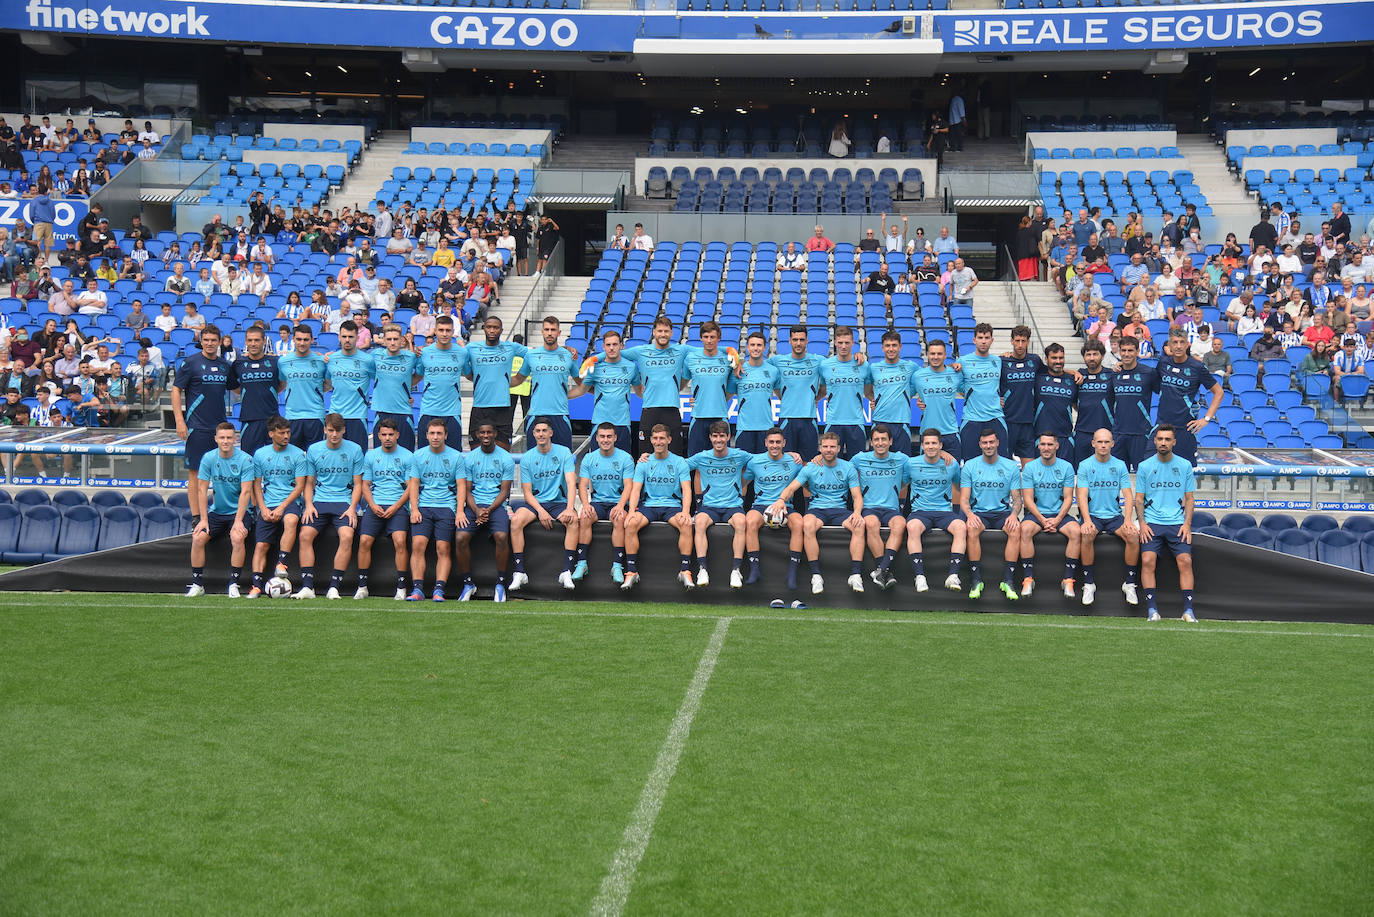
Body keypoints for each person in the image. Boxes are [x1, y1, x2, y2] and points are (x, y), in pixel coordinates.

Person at [772, 431, 862, 596]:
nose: (829, 450)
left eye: (832, 447)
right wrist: (780, 500)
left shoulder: (848, 467)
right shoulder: (811, 467)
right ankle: (816, 575)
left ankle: (855, 574)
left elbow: (857, 496)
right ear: (820, 448)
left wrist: (857, 513)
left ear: (839, 448)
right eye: (825, 446)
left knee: (859, 525)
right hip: (817, 510)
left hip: (839, 511)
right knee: (807, 524)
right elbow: (792, 487)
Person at [293, 414, 364, 600]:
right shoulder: (314, 449)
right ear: (325, 429)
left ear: (344, 430)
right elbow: (309, 482)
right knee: (305, 535)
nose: (334, 434)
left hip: (344, 502)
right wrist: (308, 505)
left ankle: (334, 586)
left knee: (347, 536)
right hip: (320, 502)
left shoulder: (355, 450)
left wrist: (352, 508)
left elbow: (358, 484)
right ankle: (308, 587)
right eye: (331, 430)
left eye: (338, 431)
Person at [620, 424, 693, 591]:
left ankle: (685, 570)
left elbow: (687, 490)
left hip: (672, 507)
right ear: (651, 440)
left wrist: (686, 512)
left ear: (669, 439)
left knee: (687, 524)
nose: (658, 441)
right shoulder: (644, 462)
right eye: (655, 438)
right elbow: (636, 490)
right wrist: (631, 511)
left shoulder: (679, 462)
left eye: (662, 438)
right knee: (630, 523)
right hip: (649, 507)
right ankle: (631, 572)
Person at [509, 418, 580, 591]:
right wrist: (540, 511)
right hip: (536, 503)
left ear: (551, 433)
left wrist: (570, 508)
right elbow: (527, 492)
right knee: (516, 521)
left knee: (573, 520)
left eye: (544, 431)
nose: (541, 434)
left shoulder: (563, 453)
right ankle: (519, 572)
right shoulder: (527, 458)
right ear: (533, 434)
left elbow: (571, 483)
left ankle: (566, 571)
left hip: (558, 502)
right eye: (537, 431)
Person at [1135, 424, 1197, 622]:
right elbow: (1139, 499)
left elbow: (1189, 499)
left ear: (1174, 442)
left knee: (1185, 562)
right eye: (1160, 439)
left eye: (1167, 439)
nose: (1163, 443)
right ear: (1155, 441)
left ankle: (1188, 611)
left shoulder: (1185, 465)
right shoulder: (1145, 466)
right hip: (1152, 522)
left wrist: (1187, 525)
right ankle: (1152, 610)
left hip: (1177, 523)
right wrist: (1143, 524)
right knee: (1147, 561)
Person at [185, 423, 254, 598]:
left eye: (229, 438)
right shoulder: (208, 458)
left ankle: (234, 584)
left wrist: (238, 521)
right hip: (217, 511)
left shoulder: (245, 460)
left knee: (237, 537)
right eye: (222, 437)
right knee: (198, 538)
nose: (225, 441)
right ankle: (197, 584)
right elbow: (201, 489)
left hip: (240, 512)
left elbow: (246, 492)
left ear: (235, 439)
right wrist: (203, 519)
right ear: (216, 439)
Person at [171, 324, 231, 524]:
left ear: (219, 342)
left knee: (221, 473)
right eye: (206, 340)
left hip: (220, 429)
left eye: (214, 340)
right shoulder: (191, 363)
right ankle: (197, 516)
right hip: (197, 427)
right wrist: (180, 420)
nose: (210, 343)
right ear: (201, 342)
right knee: (195, 473)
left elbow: (239, 388)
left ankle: (220, 513)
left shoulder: (224, 366)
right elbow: (176, 390)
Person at [1076, 428, 1139, 607]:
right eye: (1100, 442)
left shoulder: (1119, 465)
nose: (1103, 445)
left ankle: (1129, 583)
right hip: (1093, 516)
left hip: (1114, 517)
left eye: (1106, 442)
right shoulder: (1085, 465)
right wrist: (1086, 520)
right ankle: (1089, 584)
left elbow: (1127, 495)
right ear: (1093, 443)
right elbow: (1081, 495)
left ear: (1112, 444)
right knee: (1086, 535)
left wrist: (1128, 519)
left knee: (1133, 536)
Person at [352, 417, 414, 601]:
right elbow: (365, 484)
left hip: (398, 506)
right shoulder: (370, 456)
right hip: (376, 505)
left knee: (400, 541)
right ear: (378, 436)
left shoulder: (408, 456)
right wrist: (372, 505)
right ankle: (362, 586)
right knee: (364, 541)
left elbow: (411, 487)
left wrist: (396, 506)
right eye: (384, 434)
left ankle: (401, 587)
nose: (387, 438)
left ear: (397, 435)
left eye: (391, 434)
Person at [958, 428, 1023, 601]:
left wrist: (1014, 515)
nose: (988, 445)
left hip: (1002, 513)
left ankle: (1008, 581)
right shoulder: (970, 466)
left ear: (998, 443)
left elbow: (1017, 499)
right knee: (971, 529)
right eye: (985, 442)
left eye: (991, 442)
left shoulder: (1010, 466)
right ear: (980, 444)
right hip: (979, 514)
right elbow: (964, 500)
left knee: (1016, 529)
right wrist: (970, 515)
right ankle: (976, 579)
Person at [246, 416, 308, 598]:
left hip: (289, 503)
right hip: (268, 503)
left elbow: (300, 486)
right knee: (261, 545)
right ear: (271, 434)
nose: (286, 436)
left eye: (288, 432)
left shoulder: (298, 454)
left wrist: (282, 507)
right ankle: (256, 586)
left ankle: (281, 564)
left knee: (291, 520)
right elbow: (256, 484)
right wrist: (262, 508)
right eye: (282, 433)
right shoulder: (260, 454)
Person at [454, 422, 516, 602]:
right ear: (477, 435)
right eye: (482, 432)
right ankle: (468, 583)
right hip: (474, 506)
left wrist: (487, 510)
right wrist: (476, 510)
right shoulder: (470, 458)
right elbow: (467, 490)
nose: (486, 435)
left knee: (502, 537)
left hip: (496, 506)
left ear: (495, 434)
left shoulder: (506, 458)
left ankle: (500, 584)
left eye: (489, 432)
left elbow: (504, 491)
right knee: (460, 538)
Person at [404, 418, 463, 602]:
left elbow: (461, 486)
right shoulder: (418, 456)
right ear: (426, 435)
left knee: (442, 547)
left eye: (439, 433)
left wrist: (460, 511)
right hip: (424, 507)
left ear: (445, 435)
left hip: (446, 507)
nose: (435, 437)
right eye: (432, 433)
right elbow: (413, 484)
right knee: (418, 545)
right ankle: (418, 589)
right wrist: (414, 509)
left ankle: (439, 590)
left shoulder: (456, 457)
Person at [1017, 432, 1081, 599]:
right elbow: (1028, 500)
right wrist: (1043, 520)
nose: (1046, 448)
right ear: (1038, 446)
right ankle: (1028, 578)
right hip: (1038, 515)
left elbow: (1068, 498)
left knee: (1076, 532)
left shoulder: (1066, 466)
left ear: (1057, 446)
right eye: (1043, 444)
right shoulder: (1030, 467)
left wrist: (1058, 519)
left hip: (1059, 514)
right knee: (1024, 530)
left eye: (1050, 444)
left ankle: (1068, 579)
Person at [905, 428, 968, 593]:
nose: (931, 446)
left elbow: (959, 486)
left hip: (944, 512)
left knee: (961, 527)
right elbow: (902, 485)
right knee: (912, 527)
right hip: (920, 511)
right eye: (927, 443)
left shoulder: (951, 464)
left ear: (941, 445)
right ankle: (919, 577)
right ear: (922, 445)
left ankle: (953, 576)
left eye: (934, 443)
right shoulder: (911, 463)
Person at [849, 423, 909, 591]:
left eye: (884, 439)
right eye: (876, 440)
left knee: (900, 525)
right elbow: (841, 467)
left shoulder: (901, 459)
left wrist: (943, 452)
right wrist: (818, 458)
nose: (880, 443)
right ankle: (884, 570)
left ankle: (881, 570)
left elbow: (909, 477)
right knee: (871, 524)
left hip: (891, 509)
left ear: (890, 441)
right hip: (869, 507)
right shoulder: (859, 458)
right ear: (871, 442)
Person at [742, 427, 803, 587]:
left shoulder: (794, 462)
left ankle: (792, 573)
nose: (774, 445)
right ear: (765, 443)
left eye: (778, 442)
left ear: (784, 443)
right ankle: (754, 570)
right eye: (771, 442)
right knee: (749, 522)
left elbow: (806, 482)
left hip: (786, 506)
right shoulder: (755, 462)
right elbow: (743, 483)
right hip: (761, 505)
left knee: (799, 523)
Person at [577, 422, 637, 584]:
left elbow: (629, 486)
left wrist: (620, 505)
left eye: (609, 436)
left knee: (619, 518)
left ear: (615, 438)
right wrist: (586, 504)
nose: (605, 440)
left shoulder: (625, 458)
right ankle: (582, 563)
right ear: (596, 438)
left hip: (617, 503)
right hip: (597, 502)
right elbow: (582, 485)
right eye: (602, 436)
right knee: (584, 517)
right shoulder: (589, 458)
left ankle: (617, 566)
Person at [1154, 328, 1223, 467]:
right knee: (1158, 472)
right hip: (1162, 428)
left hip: (1185, 429)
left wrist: (1206, 419)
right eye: (1175, 342)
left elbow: (1219, 392)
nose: (1178, 346)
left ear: (1187, 344)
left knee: (1184, 473)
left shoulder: (1197, 367)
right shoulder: (1163, 363)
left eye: (1182, 342)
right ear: (1169, 345)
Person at [624, 316, 688, 457]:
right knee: (645, 454)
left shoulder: (680, 350)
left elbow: (708, 350)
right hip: (649, 409)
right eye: (660, 331)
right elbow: (614, 354)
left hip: (672, 409)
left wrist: (730, 352)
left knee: (676, 454)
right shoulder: (641, 351)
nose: (663, 334)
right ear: (654, 332)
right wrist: (593, 359)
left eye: (666, 331)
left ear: (671, 333)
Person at [464, 315, 527, 450]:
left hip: (503, 407)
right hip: (480, 407)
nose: (492, 330)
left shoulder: (511, 347)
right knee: (476, 454)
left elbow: (535, 355)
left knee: (503, 453)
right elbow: (464, 368)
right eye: (489, 327)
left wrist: (520, 377)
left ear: (501, 330)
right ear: (484, 329)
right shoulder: (471, 348)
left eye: (496, 327)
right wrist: (475, 377)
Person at [681, 321, 737, 457]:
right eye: (706, 337)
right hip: (698, 417)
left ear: (718, 338)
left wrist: (718, 399)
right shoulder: (691, 358)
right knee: (696, 462)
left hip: (720, 417)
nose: (709, 340)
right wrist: (698, 398)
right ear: (701, 338)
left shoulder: (729, 359)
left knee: (721, 461)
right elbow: (682, 383)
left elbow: (731, 388)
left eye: (712, 337)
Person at [580, 329, 640, 455]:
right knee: (597, 465)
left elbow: (640, 391)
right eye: (608, 345)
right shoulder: (595, 367)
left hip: (622, 423)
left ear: (621, 346)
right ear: (603, 347)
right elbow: (582, 389)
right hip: (599, 422)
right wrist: (563, 396)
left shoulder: (631, 367)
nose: (612, 348)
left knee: (623, 465)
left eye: (615, 344)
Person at [769, 324, 825, 460]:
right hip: (787, 419)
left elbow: (825, 385)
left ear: (807, 341)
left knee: (810, 462)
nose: (798, 343)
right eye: (795, 339)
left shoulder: (818, 361)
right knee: (787, 462)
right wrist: (784, 395)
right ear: (789, 340)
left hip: (809, 419)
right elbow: (756, 364)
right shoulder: (777, 361)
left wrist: (815, 398)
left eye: (801, 340)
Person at [416, 314, 469, 450]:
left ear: (453, 331)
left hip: (452, 412)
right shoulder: (425, 353)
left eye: (448, 330)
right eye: (441, 330)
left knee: (454, 457)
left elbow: (470, 375)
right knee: (425, 456)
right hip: (428, 411)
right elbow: (417, 376)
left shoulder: (462, 353)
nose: (444, 334)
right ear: (435, 330)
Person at [322, 320, 375, 451]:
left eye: (351, 337)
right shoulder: (331, 359)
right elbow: (327, 384)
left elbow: (382, 381)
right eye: (344, 336)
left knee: (358, 458)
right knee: (332, 458)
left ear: (357, 338)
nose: (347, 340)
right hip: (335, 415)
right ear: (339, 337)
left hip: (357, 416)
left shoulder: (367, 360)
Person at [958, 323, 1008, 459]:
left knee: (1000, 461)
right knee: (970, 463)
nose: (984, 341)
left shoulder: (998, 361)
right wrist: (972, 394)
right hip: (972, 418)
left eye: (987, 337)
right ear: (974, 340)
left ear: (992, 340)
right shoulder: (963, 361)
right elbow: (956, 384)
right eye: (980, 337)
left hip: (995, 417)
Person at [1107, 337, 1158, 472]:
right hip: (1118, 433)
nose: (1126, 354)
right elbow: (1110, 401)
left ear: (1137, 352)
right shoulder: (1114, 374)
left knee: (1143, 476)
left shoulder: (1149, 373)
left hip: (1141, 433)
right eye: (1123, 350)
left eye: (1130, 350)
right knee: (1115, 477)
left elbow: (1164, 394)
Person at [819, 326, 870, 460]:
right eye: (840, 343)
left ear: (853, 343)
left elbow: (870, 391)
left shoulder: (863, 365)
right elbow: (823, 389)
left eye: (847, 343)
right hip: (833, 422)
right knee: (831, 464)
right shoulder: (825, 365)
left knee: (857, 465)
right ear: (835, 342)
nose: (843, 346)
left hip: (856, 422)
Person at [229, 325, 279, 458]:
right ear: (245, 342)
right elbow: (233, 386)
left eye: (257, 340)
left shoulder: (275, 362)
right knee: (248, 461)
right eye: (250, 340)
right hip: (249, 420)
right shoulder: (239, 364)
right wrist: (249, 391)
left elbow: (282, 384)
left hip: (272, 419)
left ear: (263, 341)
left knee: (274, 462)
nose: (253, 344)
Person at [865, 331, 917, 457]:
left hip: (901, 422)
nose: (891, 349)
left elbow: (921, 383)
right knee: (878, 462)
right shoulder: (874, 368)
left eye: (894, 345)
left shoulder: (911, 367)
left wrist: (905, 396)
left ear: (900, 346)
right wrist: (876, 400)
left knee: (903, 463)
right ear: (882, 347)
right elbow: (867, 391)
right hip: (879, 421)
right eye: (887, 345)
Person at [910, 339, 963, 460]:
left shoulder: (955, 373)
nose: (935, 357)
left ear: (945, 355)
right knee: (928, 475)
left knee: (953, 474)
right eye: (932, 353)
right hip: (928, 433)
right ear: (927, 354)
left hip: (950, 432)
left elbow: (968, 392)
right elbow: (906, 395)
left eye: (939, 354)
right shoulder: (918, 376)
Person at [1000, 325, 1046, 464]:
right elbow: (988, 383)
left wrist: (1073, 372)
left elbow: (1052, 372)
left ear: (1028, 342)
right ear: (1011, 341)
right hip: (1007, 420)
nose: (1020, 345)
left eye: (1023, 341)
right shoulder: (1002, 361)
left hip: (1028, 422)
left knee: (1030, 468)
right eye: (1017, 340)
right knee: (1005, 465)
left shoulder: (1035, 361)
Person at [371, 323, 420, 451]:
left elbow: (419, 375)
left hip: (403, 413)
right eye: (389, 339)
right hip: (382, 412)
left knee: (407, 455)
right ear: (384, 341)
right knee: (380, 456)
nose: (392, 342)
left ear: (401, 340)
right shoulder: (375, 355)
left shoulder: (411, 357)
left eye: (395, 339)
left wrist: (404, 387)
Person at [732, 331, 781, 454]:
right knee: (743, 469)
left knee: (764, 469)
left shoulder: (773, 371)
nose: (755, 348)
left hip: (766, 429)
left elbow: (783, 397)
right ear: (747, 347)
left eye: (759, 345)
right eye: (752, 345)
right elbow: (724, 397)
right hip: (744, 428)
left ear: (765, 347)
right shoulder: (738, 371)